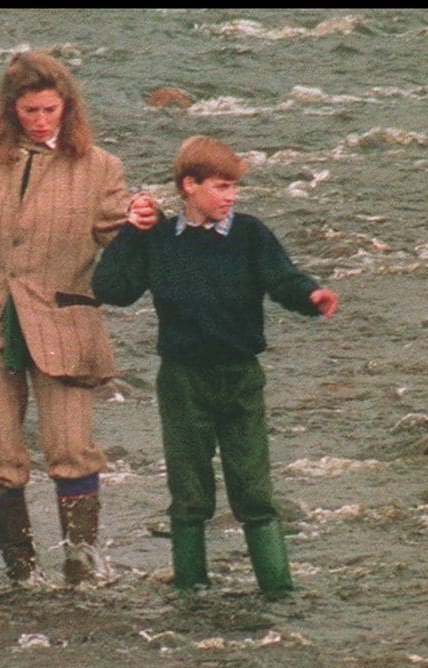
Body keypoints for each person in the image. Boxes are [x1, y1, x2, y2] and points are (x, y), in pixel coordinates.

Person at [0, 50, 158, 585]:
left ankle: (81, 561)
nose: (42, 119)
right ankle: (22, 572)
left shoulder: (100, 167)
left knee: (72, 450)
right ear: (10, 110)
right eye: (30, 110)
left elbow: (118, 228)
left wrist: (142, 218)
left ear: (68, 108)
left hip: (64, 322)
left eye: (51, 109)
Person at [92, 136, 339, 598]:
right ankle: (191, 594)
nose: (232, 197)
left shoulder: (250, 234)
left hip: (241, 376)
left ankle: (279, 594)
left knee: (255, 494)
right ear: (190, 185)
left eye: (234, 188)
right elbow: (112, 288)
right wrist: (130, 230)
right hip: (182, 381)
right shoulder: (159, 240)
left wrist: (310, 296)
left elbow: (282, 278)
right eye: (222, 187)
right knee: (189, 496)